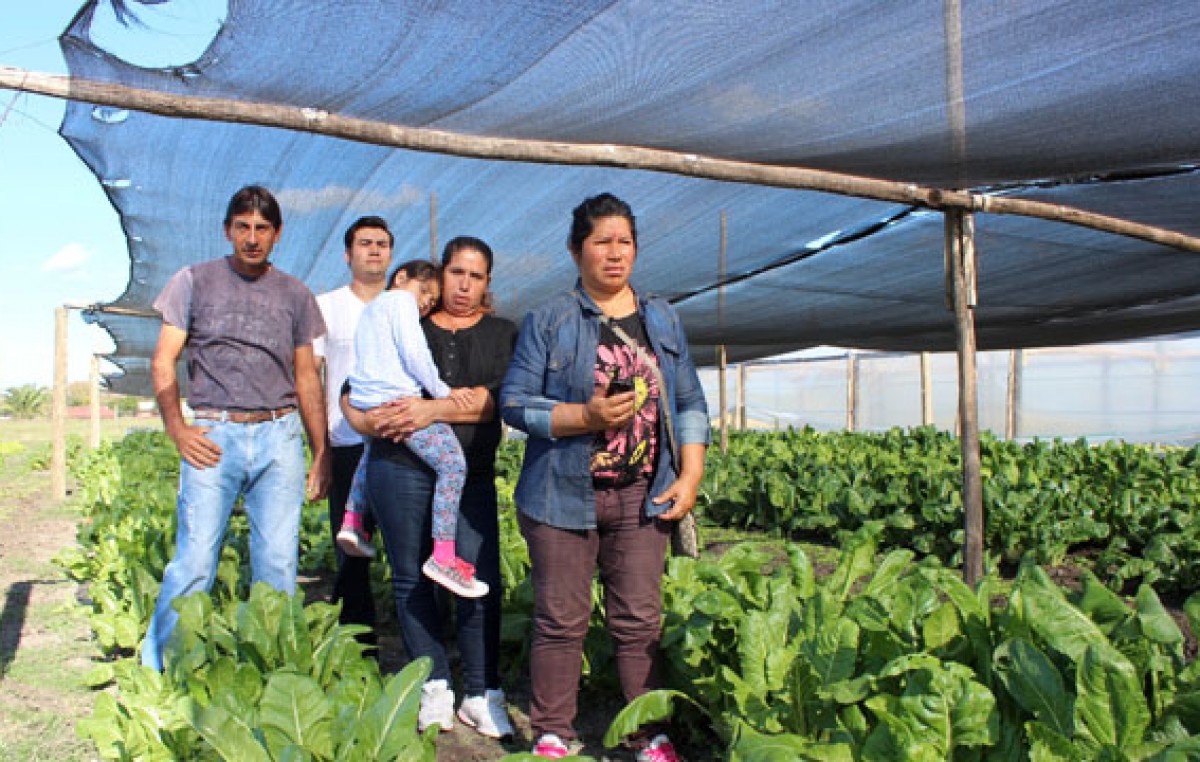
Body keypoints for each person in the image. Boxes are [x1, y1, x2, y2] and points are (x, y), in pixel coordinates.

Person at [500, 193, 709, 761]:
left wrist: (690, 476)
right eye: (601, 242)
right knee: (561, 618)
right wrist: (583, 418)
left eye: (624, 242)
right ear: (576, 250)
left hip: (644, 493)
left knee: (640, 619)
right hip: (562, 493)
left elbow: (688, 399)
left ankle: (648, 732)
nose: (614, 254)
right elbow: (515, 405)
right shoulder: (550, 319)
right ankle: (552, 732)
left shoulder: (661, 317)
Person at [142, 185, 330, 672]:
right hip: (214, 435)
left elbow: (307, 376)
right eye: (242, 227)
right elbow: (164, 361)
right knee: (196, 561)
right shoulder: (193, 281)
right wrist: (178, 429)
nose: (252, 237)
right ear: (227, 229)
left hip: (279, 435)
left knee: (278, 565)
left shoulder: (295, 294)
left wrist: (321, 451)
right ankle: (160, 671)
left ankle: (275, 673)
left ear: (277, 233)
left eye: (262, 228)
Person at [342, 236, 518, 738]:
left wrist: (431, 409)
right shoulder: (405, 319)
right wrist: (372, 423)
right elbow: (352, 395)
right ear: (440, 275)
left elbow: (501, 401)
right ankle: (434, 684)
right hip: (397, 468)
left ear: (487, 284)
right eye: (456, 272)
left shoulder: (503, 334)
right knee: (410, 578)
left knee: (479, 577)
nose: (464, 284)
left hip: (471, 473)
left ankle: (483, 693)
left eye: (476, 276)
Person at [340, 259, 488, 599]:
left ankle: (352, 520)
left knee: (367, 453)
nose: (424, 302)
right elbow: (415, 353)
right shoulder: (400, 303)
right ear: (401, 277)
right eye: (424, 291)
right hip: (398, 402)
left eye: (429, 300)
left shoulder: (369, 311)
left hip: (368, 401)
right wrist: (442, 392)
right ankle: (444, 556)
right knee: (452, 465)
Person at [314, 215, 393, 637]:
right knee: (350, 549)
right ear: (348, 254)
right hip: (346, 443)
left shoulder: (403, 305)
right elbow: (308, 375)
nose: (374, 250)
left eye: (382, 243)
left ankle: (422, 650)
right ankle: (357, 646)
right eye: (365, 243)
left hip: (400, 443)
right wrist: (319, 450)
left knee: (408, 547)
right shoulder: (327, 307)